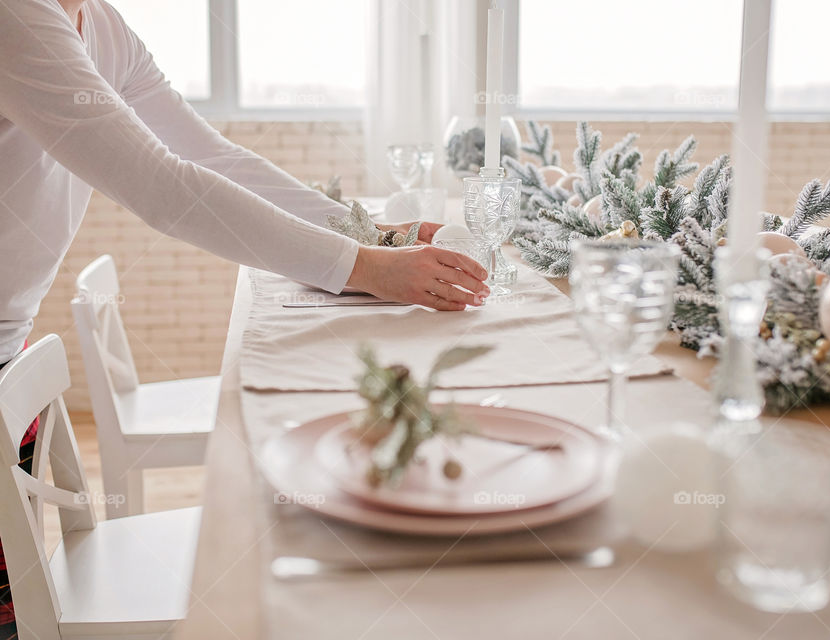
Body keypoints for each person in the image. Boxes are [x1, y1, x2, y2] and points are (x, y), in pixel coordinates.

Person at [0, 0, 489, 635]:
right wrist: (362, 266)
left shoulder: (100, 23)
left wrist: (367, 236)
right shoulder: (19, 16)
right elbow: (161, 184)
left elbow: (212, 156)